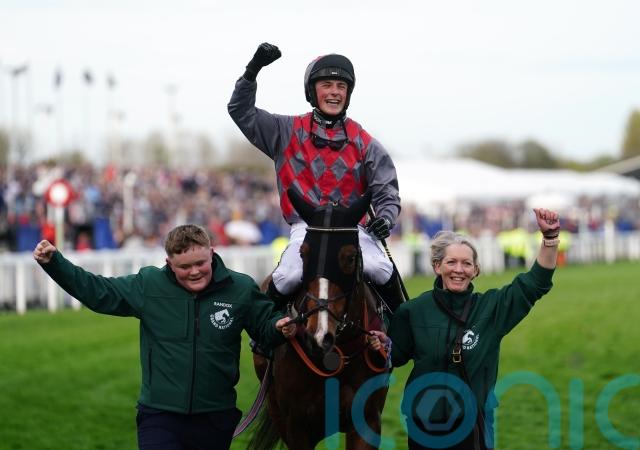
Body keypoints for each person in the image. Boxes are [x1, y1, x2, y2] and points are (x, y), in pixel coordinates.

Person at [33, 224, 296, 450]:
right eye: (184, 267)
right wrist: (55, 264)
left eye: (200, 263)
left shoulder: (240, 288)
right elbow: (98, 292)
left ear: (212, 253)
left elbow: (264, 327)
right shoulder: (149, 284)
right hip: (159, 416)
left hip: (216, 418)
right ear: (169, 263)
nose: (194, 271)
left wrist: (278, 327)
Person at [228, 42, 404, 314]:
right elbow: (241, 111)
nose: (335, 92)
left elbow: (387, 193)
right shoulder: (284, 131)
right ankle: (265, 331)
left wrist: (386, 218)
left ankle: (401, 330)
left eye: (341, 86)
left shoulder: (366, 143)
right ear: (312, 91)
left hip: (351, 230)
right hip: (306, 228)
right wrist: (252, 71)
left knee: (380, 268)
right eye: (327, 85)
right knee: (287, 276)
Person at [368, 208, 560, 450]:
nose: (459, 270)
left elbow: (535, 284)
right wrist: (382, 345)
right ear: (437, 266)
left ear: (475, 270)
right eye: (451, 262)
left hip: (473, 424)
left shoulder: (492, 308)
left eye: (466, 263)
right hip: (424, 423)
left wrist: (550, 239)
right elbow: (394, 356)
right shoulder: (412, 310)